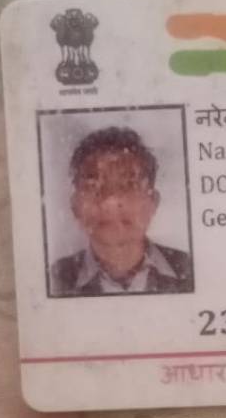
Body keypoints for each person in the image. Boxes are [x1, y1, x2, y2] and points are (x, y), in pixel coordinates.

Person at [50, 124, 193, 295]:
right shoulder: (53, 279)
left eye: (128, 185)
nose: (110, 202)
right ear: (75, 205)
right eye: (93, 185)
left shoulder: (191, 270)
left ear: (153, 202)